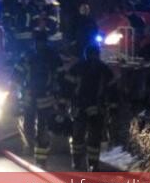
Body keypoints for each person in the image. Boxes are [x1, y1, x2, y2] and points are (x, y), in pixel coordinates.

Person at [12, 31, 64, 168]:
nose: (39, 45)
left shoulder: (47, 56)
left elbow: (60, 76)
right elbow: (16, 74)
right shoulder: (34, 55)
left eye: (40, 42)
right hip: (36, 97)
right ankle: (36, 151)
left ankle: (39, 157)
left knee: (39, 127)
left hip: (40, 97)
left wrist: (59, 95)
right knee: (33, 127)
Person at [63, 43, 118, 171]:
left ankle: (78, 162)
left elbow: (67, 87)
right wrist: (113, 108)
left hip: (81, 107)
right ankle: (92, 164)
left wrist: (63, 103)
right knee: (93, 138)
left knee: (78, 136)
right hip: (96, 108)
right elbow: (112, 90)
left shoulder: (78, 67)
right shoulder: (104, 69)